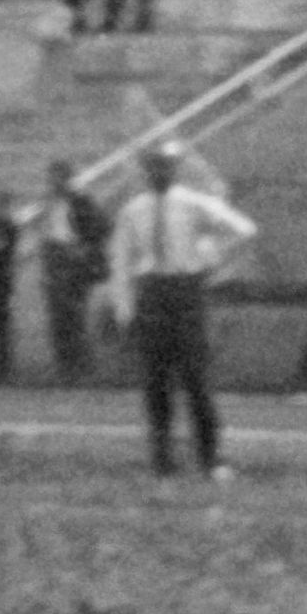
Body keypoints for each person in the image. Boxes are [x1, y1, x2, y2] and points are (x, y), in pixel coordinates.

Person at [104, 140, 254, 476]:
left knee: (196, 379)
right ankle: (162, 460)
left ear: (174, 169)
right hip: (152, 295)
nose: (159, 172)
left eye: (165, 166)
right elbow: (121, 262)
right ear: (146, 171)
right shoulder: (134, 210)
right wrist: (125, 311)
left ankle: (210, 457)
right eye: (153, 167)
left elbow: (242, 230)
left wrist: (210, 260)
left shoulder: (193, 204)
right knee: (155, 382)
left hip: (185, 293)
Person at [23, 158, 103, 383]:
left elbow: (101, 227)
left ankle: (82, 367)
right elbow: (44, 231)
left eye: (59, 176)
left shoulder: (81, 201)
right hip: (53, 259)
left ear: (68, 178)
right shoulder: (48, 202)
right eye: (52, 176)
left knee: (75, 316)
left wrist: (84, 247)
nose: (54, 181)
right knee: (57, 317)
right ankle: (64, 366)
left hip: (73, 261)